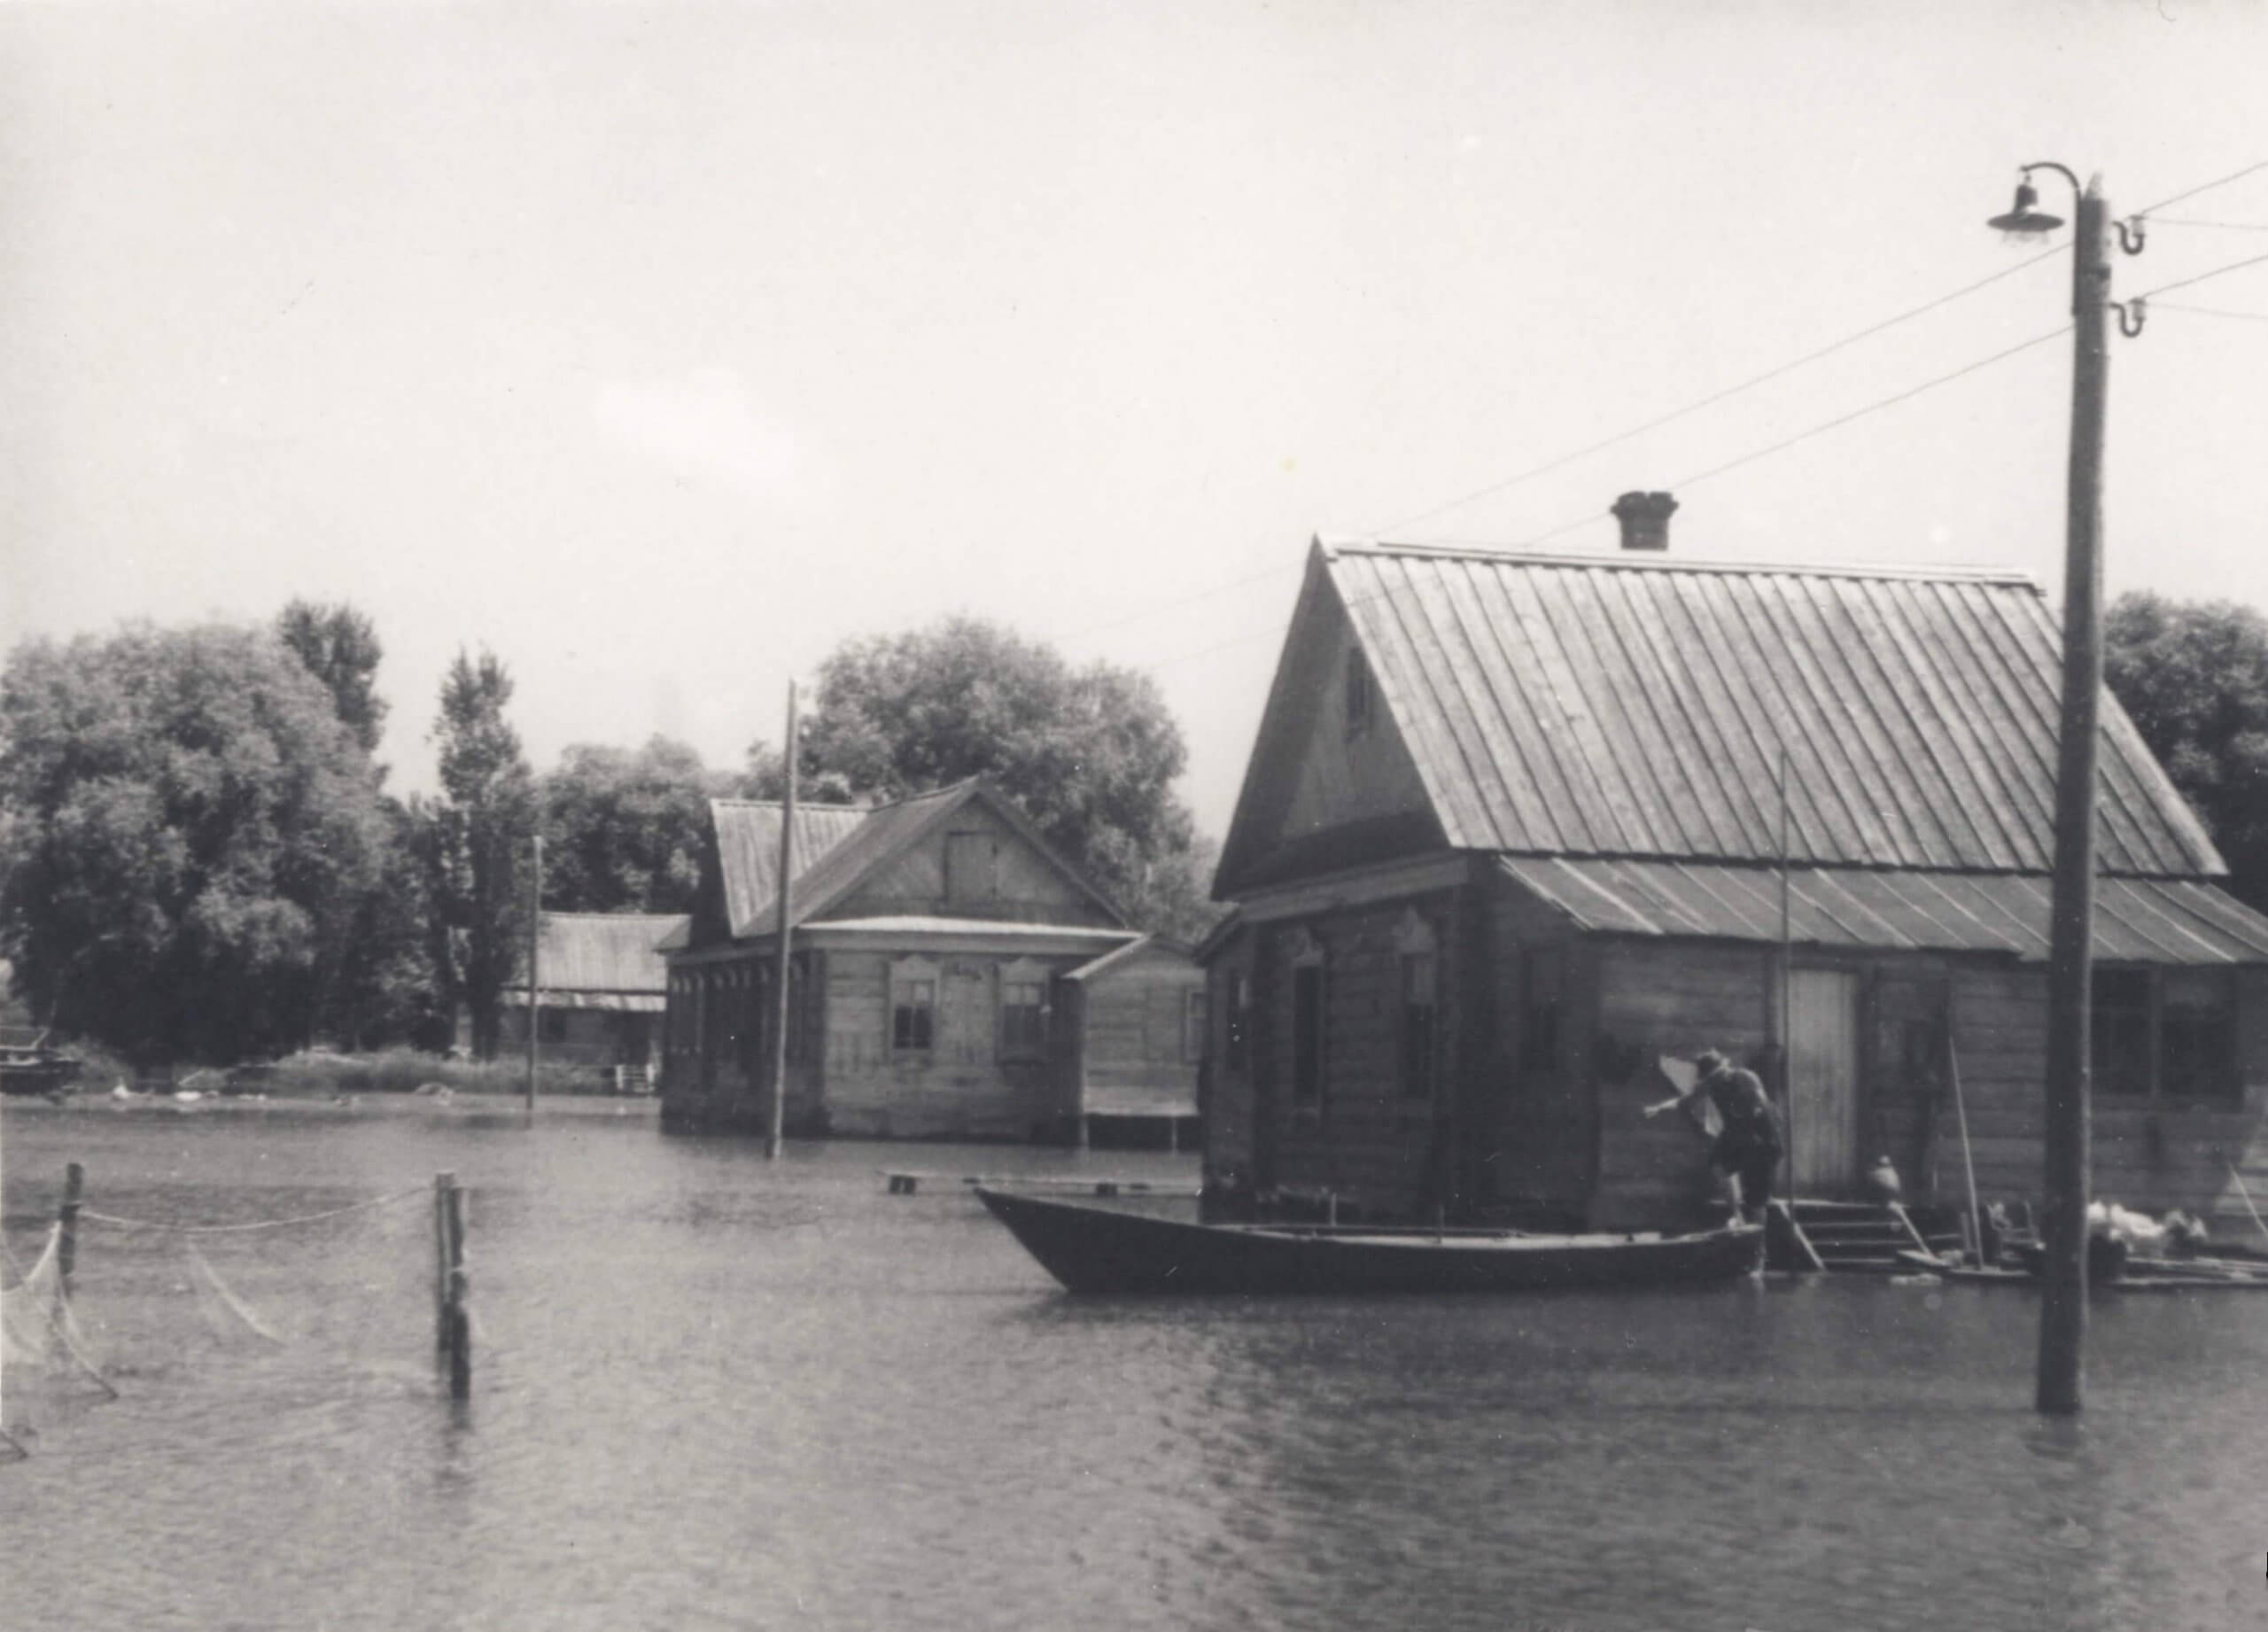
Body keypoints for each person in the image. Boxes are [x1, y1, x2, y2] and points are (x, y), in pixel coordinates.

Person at [1644, 1048, 1783, 1223]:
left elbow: (1762, 1106)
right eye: (1713, 1078)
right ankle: (1736, 1214)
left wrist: (1756, 1121)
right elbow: (1686, 1101)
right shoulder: (1711, 1085)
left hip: (1762, 1138)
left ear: (1725, 1066)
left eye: (1720, 1074)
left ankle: (1757, 1241)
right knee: (1720, 1166)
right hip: (1744, 1137)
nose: (1718, 1079)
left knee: (1756, 1200)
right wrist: (1660, 1108)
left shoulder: (1745, 1077)